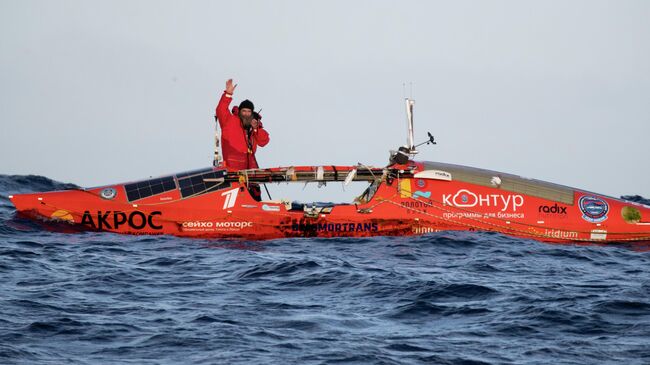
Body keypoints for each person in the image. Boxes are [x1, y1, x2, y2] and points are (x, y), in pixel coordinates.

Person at [215, 79, 270, 200]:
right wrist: (228, 94)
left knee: (254, 202)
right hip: (233, 170)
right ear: (239, 111)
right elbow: (220, 110)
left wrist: (256, 129)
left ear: (252, 113)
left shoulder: (255, 125)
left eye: (248, 111)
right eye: (243, 111)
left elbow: (264, 141)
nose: (246, 114)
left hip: (251, 171)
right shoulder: (229, 121)